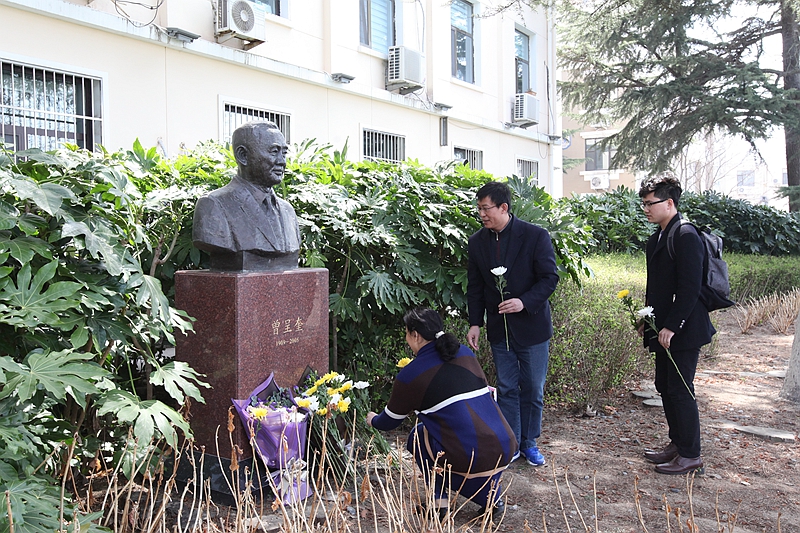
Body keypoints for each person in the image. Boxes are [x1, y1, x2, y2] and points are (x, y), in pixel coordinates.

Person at [366, 308, 517, 516]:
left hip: (471, 456)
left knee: (419, 436)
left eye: (406, 333)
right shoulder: (465, 353)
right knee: (469, 438)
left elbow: (389, 421)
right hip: (505, 446)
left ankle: (439, 504)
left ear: (415, 335)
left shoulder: (410, 374)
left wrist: (373, 420)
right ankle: (492, 498)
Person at [466, 181, 559, 466]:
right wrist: (475, 323)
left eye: (486, 208)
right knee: (506, 387)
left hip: (532, 326)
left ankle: (530, 443)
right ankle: (512, 442)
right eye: (479, 209)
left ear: (503, 207)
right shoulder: (477, 242)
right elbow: (475, 287)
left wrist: (523, 302)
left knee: (533, 388)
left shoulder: (535, 236)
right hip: (498, 328)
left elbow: (549, 278)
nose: (482, 214)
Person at [638, 173, 714, 475]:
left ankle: (691, 455)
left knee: (681, 389)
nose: (646, 209)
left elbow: (690, 288)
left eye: (650, 203)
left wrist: (672, 325)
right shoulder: (658, 236)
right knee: (665, 386)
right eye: (643, 204)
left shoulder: (685, 235)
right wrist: (647, 320)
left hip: (684, 329)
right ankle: (677, 443)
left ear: (669, 203)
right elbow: (656, 286)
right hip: (663, 327)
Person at [192, 121, 301, 271]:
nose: (282, 161)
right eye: (274, 152)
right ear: (243, 156)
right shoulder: (213, 205)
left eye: (284, 153)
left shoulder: (288, 211)